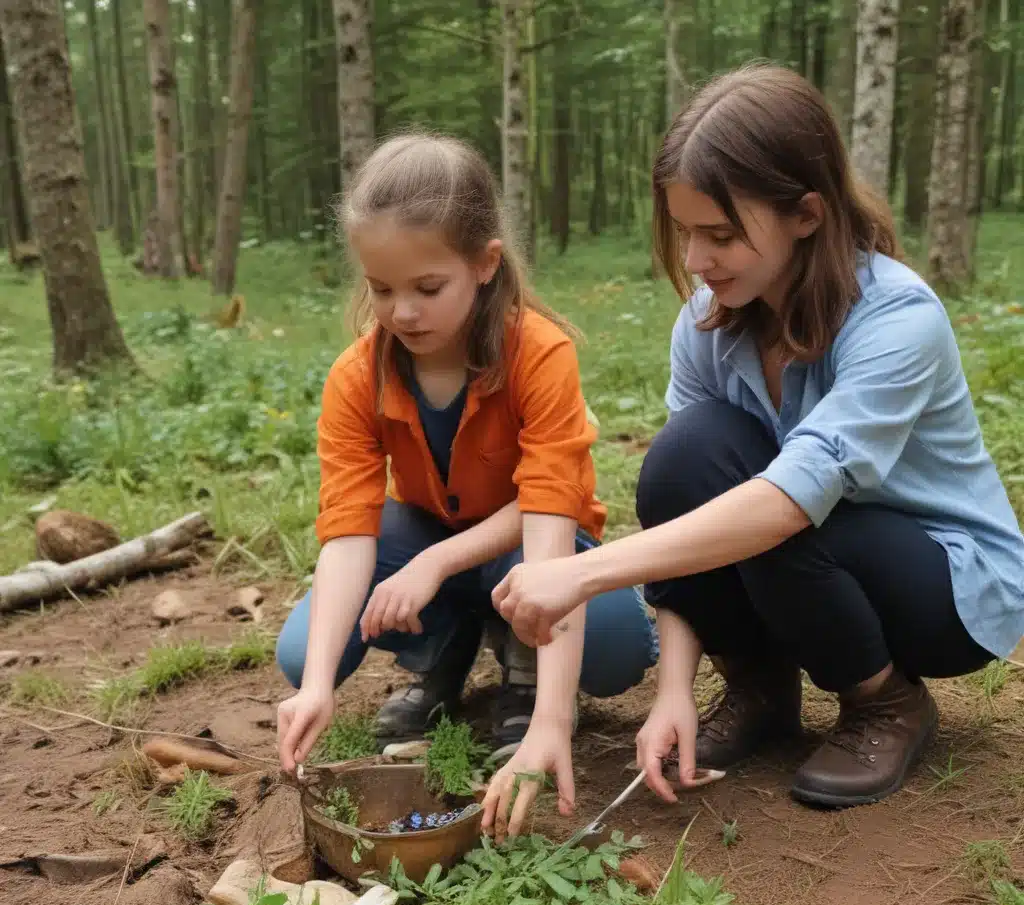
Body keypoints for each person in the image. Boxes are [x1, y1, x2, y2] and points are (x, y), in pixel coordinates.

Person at [482, 63, 1024, 840]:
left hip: (938, 585)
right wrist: (674, 686)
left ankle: (884, 700)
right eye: (685, 232)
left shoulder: (900, 318)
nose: (697, 259)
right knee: (686, 456)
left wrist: (582, 570)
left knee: (777, 513)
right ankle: (760, 686)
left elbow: (782, 505)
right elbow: (689, 495)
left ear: (806, 213)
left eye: (722, 234)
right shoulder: (710, 321)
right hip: (805, 556)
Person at [275, 133, 658, 776]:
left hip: (527, 544)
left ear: (485, 264)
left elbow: (546, 521)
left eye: (428, 287)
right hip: (427, 535)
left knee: (615, 648)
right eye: (381, 288)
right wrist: (316, 685)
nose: (402, 312)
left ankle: (526, 664)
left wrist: (551, 725)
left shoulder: (538, 354)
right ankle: (443, 652)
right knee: (302, 651)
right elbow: (346, 533)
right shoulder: (356, 375)